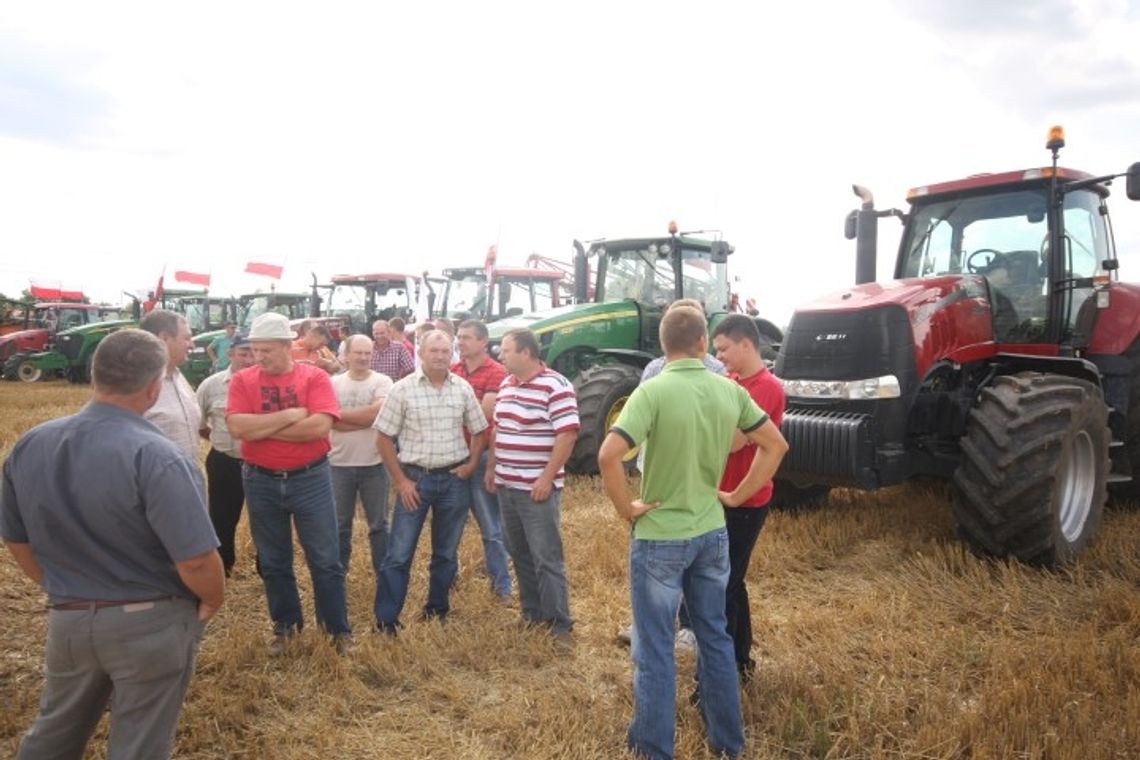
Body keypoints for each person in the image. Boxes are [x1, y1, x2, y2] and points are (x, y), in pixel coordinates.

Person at [1, 329, 224, 760]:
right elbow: (196, 558)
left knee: (52, 735)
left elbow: (15, 537)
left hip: (69, 619)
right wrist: (212, 600)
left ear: (93, 373)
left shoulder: (32, 443)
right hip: (149, 621)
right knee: (138, 745)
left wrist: (56, 584)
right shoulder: (159, 455)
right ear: (155, 386)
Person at [598, 305, 788, 760]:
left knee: (655, 649)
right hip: (711, 533)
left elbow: (609, 455)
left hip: (660, 535)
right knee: (716, 639)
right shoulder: (729, 389)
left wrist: (628, 509)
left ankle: (653, 749)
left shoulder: (652, 390)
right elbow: (775, 445)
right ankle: (727, 744)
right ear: (704, 344)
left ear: (663, 348)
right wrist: (739, 495)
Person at [226, 312, 352, 655]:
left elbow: (318, 428)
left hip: (310, 477)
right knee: (273, 560)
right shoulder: (242, 381)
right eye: (255, 350)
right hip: (260, 479)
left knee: (325, 559)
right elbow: (237, 428)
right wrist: (288, 416)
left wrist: (262, 425)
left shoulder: (314, 378)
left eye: (267, 350)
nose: (259, 357)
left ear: (286, 346)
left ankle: (337, 632)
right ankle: (286, 628)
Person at [372, 330, 487, 634]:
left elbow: (479, 429)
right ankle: (386, 621)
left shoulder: (462, 388)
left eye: (445, 351)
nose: (439, 356)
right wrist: (400, 481)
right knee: (398, 554)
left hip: (453, 481)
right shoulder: (402, 389)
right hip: (415, 481)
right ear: (420, 353)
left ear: (453, 355)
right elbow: (383, 437)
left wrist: (472, 463)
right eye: (433, 350)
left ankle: (437, 609)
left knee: (446, 553)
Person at [486, 328, 579, 640]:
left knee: (546, 558)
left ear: (526, 352)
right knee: (520, 553)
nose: (501, 355)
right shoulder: (507, 384)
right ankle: (532, 613)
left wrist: (547, 477)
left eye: (507, 350)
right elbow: (498, 430)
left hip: (535, 488)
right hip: (507, 486)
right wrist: (492, 469)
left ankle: (560, 625)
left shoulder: (555, 386)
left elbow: (566, 434)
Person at [711, 314, 787, 680]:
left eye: (724, 349)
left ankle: (722, 670)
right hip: (723, 495)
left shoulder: (766, 387)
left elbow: (735, 440)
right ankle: (740, 661)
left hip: (745, 501)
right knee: (732, 581)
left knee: (723, 585)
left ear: (745, 344)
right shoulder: (731, 382)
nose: (720, 357)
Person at [451, 319, 512, 600]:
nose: (460, 342)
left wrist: (454, 408)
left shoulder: (497, 372)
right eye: (459, 337)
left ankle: (502, 586)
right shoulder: (454, 370)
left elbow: (483, 414)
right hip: (453, 456)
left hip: (482, 454)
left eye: (466, 338)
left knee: (490, 526)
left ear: (483, 342)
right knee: (449, 525)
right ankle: (447, 580)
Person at [330, 334, 394, 582]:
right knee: (340, 526)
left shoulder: (383, 381)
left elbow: (377, 415)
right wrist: (365, 420)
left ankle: (384, 575)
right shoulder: (332, 383)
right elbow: (328, 418)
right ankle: (337, 575)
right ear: (346, 355)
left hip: (375, 464)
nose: (363, 357)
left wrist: (340, 418)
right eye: (358, 352)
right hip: (338, 464)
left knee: (378, 525)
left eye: (368, 353)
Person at [196, 333, 255, 576]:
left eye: (254, 353)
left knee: (265, 520)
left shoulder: (267, 384)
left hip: (261, 463)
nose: (250, 359)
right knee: (222, 517)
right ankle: (223, 568)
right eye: (244, 354)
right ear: (229, 355)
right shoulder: (211, 386)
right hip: (225, 461)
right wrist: (222, 440)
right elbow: (198, 423)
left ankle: (267, 569)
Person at [139, 309, 201, 460]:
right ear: (164, 338)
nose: (192, 345)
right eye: (186, 338)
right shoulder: (135, 387)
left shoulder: (179, 377)